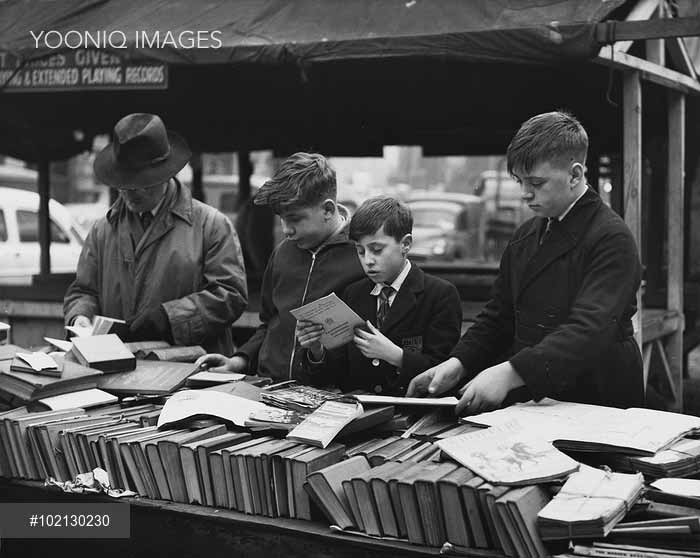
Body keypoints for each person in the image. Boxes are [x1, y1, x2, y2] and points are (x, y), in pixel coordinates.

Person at [407, 111, 644, 414]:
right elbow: (498, 315)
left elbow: (588, 330)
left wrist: (509, 373)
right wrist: (458, 362)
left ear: (575, 175)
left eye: (536, 182)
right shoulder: (526, 234)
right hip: (536, 394)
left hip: (596, 396)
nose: (524, 193)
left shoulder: (611, 238)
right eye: (519, 181)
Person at [64, 113, 247, 354]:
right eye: (123, 184)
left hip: (190, 373)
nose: (129, 193)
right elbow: (83, 291)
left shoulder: (211, 225)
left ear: (165, 175)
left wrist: (169, 318)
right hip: (115, 368)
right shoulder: (103, 229)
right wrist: (80, 317)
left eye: (140, 184)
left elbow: (230, 295)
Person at [195, 152, 365, 381]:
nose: (286, 229)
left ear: (327, 209)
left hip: (331, 398)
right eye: (282, 219)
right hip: (269, 388)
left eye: (294, 219)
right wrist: (238, 361)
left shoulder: (364, 259)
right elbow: (269, 324)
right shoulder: (282, 253)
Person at [297, 196, 462, 395]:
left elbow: (446, 371)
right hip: (359, 411)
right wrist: (317, 350)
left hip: (411, 413)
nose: (368, 260)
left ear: (406, 244)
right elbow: (335, 374)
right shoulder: (353, 294)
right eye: (360, 251)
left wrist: (397, 356)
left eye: (377, 250)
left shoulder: (440, 295)